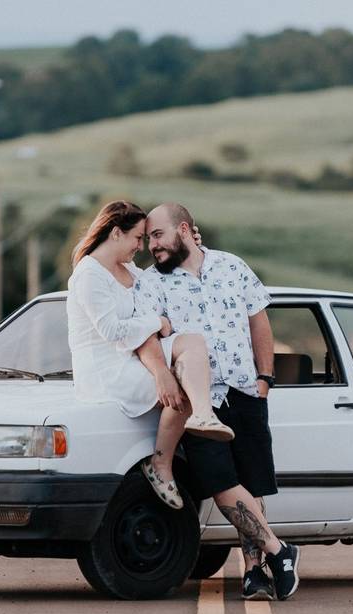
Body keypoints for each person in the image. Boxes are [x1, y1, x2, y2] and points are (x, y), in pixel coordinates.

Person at [132, 202, 300, 602]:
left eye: (157, 236)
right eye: (148, 239)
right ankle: (281, 552)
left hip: (245, 391)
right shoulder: (151, 284)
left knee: (253, 484)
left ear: (185, 230)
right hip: (199, 402)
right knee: (223, 484)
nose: (151, 246)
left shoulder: (232, 266)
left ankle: (254, 572)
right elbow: (148, 341)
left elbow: (258, 322)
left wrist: (264, 379)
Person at [65, 200, 233, 510]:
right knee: (180, 389)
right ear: (116, 233)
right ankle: (160, 465)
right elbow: (113, 332)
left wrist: (190, 246)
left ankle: (204, 415)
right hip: (106, 370)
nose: (142, 247)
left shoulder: (128, 269)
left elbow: (161, 282)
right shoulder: (89, 274)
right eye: (137, 238)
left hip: (131, 357)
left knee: (193, 343)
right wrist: (157, 324)